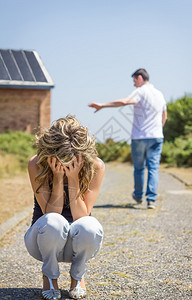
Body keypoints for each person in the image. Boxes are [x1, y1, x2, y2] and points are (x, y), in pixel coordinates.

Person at [24, 115, 105, 300]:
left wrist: (74, 179)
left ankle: (78, 276)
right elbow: (50, 214)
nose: (66, 164)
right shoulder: (36, 164)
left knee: (90, 225)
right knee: (55, 221)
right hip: (42, 240)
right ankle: (50, 275)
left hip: (77, 241)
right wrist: (59, 178)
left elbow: (81, 217)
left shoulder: (96, 166)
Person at [89, 68, 167, 209]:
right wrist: (158, 129)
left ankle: (138, 196)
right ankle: (151, 199)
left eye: (134, 81)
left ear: (140, 78)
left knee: (138, 168)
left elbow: (125, 101)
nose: (134, 84)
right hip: (156, 136)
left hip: (139, 137)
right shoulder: (160, 94)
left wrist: (103, 105)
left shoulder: (141, 91)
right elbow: (164, 116)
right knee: (153, 168)